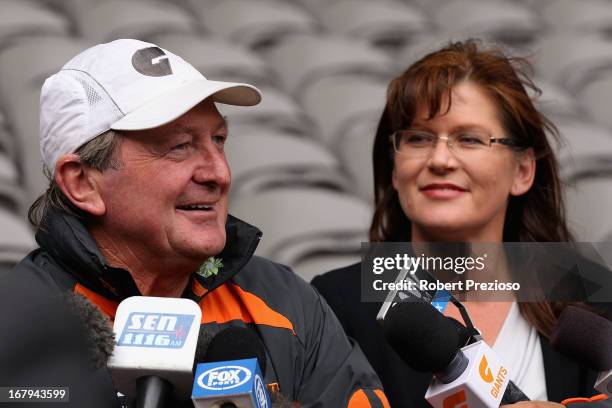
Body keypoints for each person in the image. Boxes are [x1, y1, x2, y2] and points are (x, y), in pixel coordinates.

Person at [4, 39, 389, 408]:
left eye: (218, 140)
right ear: (82, 183)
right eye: (179, 147)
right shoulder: (16, 329)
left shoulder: (288, 303)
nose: (219, 173)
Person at [312, 39, 609, 407]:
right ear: (393, 168)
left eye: (469, 139)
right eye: (418, 138)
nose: (439, 159)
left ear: (523, 170)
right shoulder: (335, 305)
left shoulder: (589, 292)